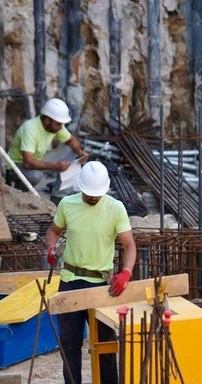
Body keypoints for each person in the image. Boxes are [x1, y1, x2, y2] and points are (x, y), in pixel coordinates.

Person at [45, 161, 136, 384]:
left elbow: (130, 245)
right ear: (81, 188)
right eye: (89, 194)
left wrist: (125, 272)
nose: (93, 198)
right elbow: (53, 231)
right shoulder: (67, 204)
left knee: (104, 344)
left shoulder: (115, 208)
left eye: (97, 194)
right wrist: (51, 248)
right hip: (70, 281)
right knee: (69, 345)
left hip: (100, 285)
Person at [5, 97, 89, 190]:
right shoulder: (30, 129)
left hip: (37, 158)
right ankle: (20, 191)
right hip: (17, 165)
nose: (61, 127)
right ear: (47, 120)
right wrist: (55, 166)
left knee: (71, 149)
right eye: (58, 124)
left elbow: (71, 140)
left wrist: (81, 153)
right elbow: (27, 163)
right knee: (35, 176)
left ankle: (59, 192)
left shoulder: (55, 126)